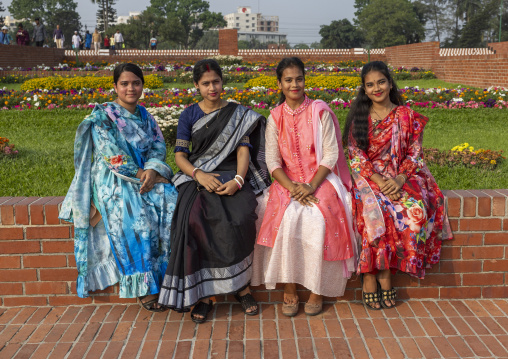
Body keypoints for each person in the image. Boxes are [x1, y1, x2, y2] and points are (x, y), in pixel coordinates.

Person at [158, 59, 271, 323]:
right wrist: (199, 175)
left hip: (232, 174)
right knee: (195, 218)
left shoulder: (236, 113)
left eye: (216, 82)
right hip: (198, 176)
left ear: (222, 82)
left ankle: (241, 287)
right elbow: (180, 156)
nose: (212, 88)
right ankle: (206, 294)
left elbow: (244, 149)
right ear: (196, 85)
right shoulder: (189, 115)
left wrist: (239, 181)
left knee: (241, 217)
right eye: (206, 83)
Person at [59, 63, 178, 312]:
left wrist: (153, 170)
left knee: (171, 200)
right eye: (124, 84)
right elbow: (110, 155)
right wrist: (140, 174)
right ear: (115, 87)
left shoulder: (146, 115)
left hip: (147, 174)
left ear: (142, 86)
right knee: (136, 218)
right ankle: (143, 287)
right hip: (113, 178)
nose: (131, 88)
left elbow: (158, 146)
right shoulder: (104, 116)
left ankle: (167, 277)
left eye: (136, 83)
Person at [252, 57, 357, 317]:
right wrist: (291, 187)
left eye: (299, 78)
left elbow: (331, 154)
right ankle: (289, 287)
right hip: (286, 181)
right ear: (280, 83)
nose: (294, 84)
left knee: (319, 220)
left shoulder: (319, 111)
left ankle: (316, 290)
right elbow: (272, 159)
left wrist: (310, 185)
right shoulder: (275, 116)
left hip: (320, 179)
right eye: (288, 80)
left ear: (304, 80)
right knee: (285, 220)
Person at [343, 61, 453, 310]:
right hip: (369, 179)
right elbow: (355, 156)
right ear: (364, 89)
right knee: (374, 214)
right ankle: (375, 275)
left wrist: (400, 179)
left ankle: (378, 270)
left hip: (402, 176)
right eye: (370, 85)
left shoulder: (406, 116)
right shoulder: (360, 117)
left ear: (390, 83)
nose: (376, 88)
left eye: (381, 82)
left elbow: (414, 154)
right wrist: (380, 181)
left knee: (414, 214)